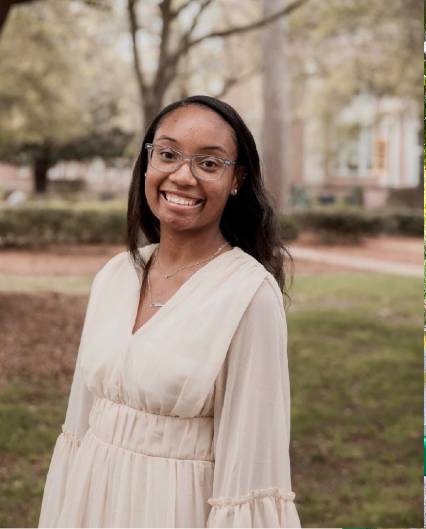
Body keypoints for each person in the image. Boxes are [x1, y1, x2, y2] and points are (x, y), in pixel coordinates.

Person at [38, 95, 301, 528]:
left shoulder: (249, 294)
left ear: (237, 179)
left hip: (177, 510)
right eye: (168, 154)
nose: (183, 176)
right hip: (91, 500)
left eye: (209, 163)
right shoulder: (115, 275)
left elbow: (252, 469)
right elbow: (78, 426)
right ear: (147, 162)